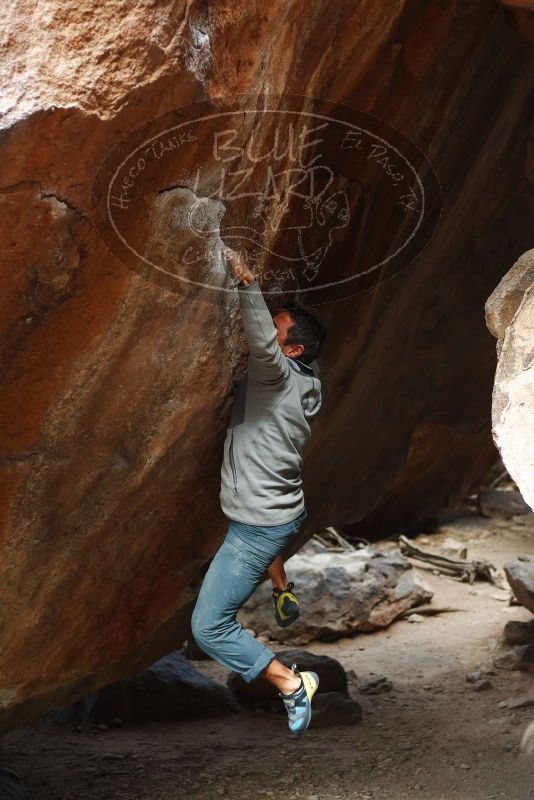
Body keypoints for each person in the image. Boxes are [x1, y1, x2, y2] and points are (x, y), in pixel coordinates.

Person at [191, 248, 327, 736]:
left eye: (278, 325)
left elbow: (262, 348)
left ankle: (291, 683)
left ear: (291, 352)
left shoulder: (278, 377)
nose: (270, 326)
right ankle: (282, 586)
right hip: (280, 510)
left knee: (209, 627)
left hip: (259, 527)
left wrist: (248, 284)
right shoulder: (309, 381)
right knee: (255, 530)